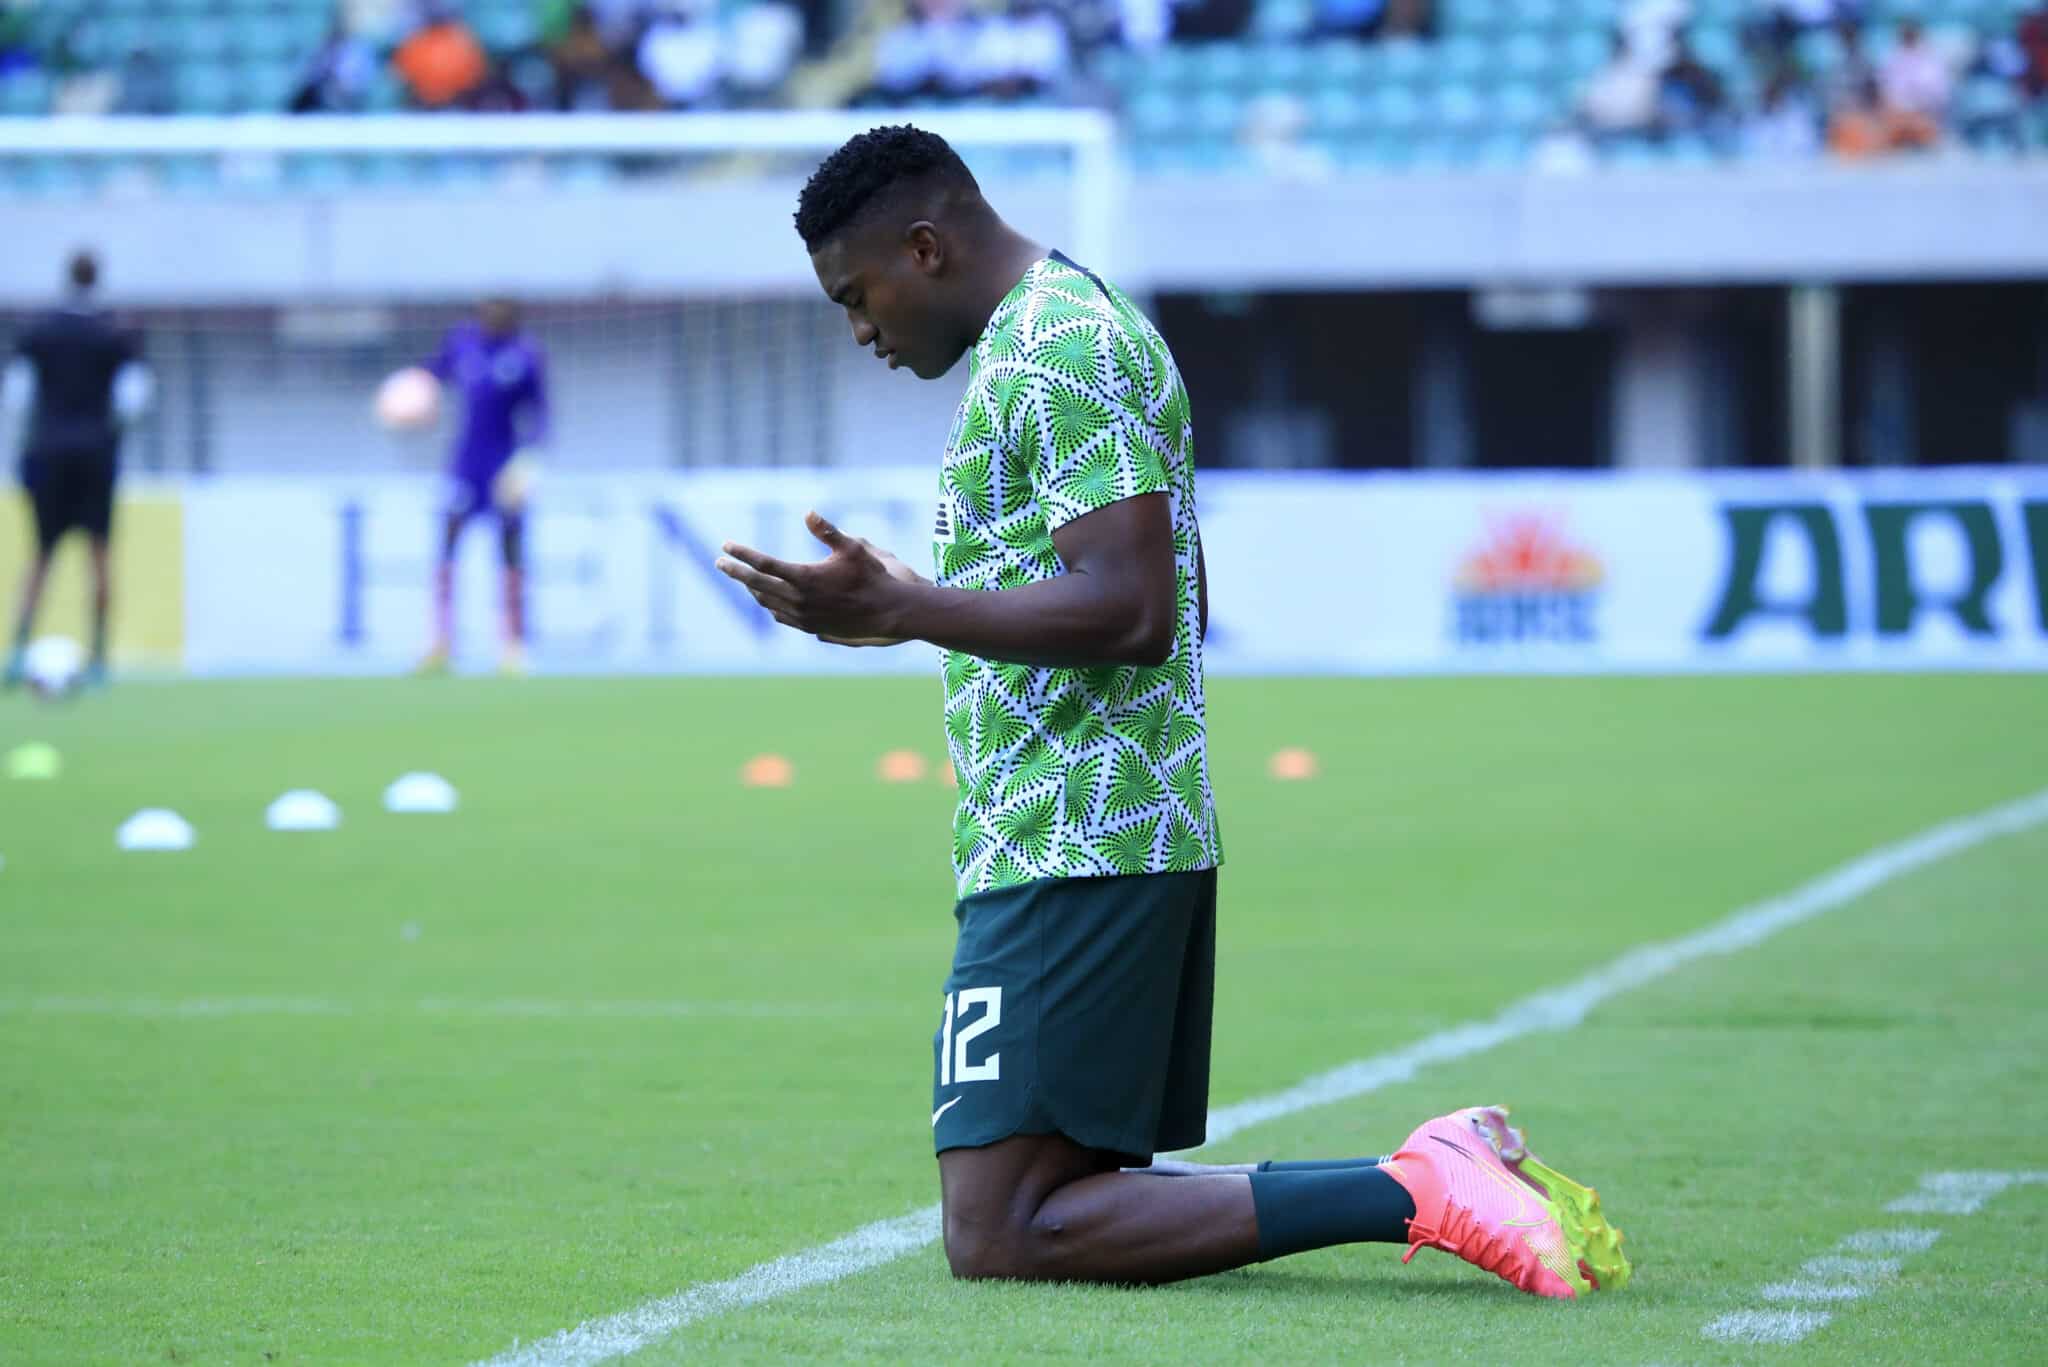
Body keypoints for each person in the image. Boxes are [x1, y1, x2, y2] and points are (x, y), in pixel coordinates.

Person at [714, 125, 1631, 1296]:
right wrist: (915, 604)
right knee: (1049, 1206)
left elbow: (1135, 607)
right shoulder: (1046, 338)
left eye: (858, 295)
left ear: (926, 247)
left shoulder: (1062, 349)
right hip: (1070, 828)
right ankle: (1419, 1177)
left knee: (999, 1230)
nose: (860, 332)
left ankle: (1413, 1185)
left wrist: (909, 608)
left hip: (1080, 836)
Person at [4, 251, 152, 691]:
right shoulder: (116, 333)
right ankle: (101, 656)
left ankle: (16, 651)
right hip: (95, 454)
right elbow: (134, 399)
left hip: (47, 450)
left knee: (41, 553)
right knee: (100, 554)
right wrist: (108, 433)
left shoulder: (39, 330)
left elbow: (18, 395)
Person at [416, 299, 547, 676]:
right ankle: (441, 642)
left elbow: (540, 414)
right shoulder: (463, 345)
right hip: (465, 467)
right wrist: (411, 393)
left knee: (511, 552)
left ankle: (512, 645)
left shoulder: (525, 356)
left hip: (503, 468)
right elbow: (431, 375)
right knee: (447, 548)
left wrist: (527, 462)